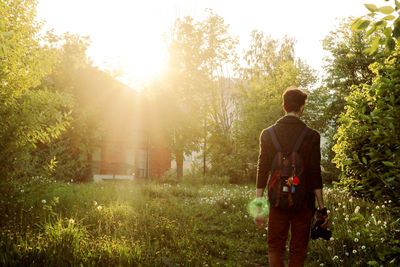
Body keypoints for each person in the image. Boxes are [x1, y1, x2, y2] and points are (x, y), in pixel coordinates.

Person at [254, 87, 328, 267]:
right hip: (304, 202)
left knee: (275, 246)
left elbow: (262, 168)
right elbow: (314, 172)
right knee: (298, 247)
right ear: (302, 107)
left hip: (277, 199)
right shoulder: (312, 136)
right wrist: (321, 207)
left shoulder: (267, 134)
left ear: (284, 105)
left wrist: (259, 202)